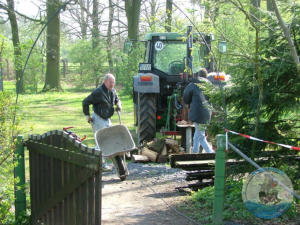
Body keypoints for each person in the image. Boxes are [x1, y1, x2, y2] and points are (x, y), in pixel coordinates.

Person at [82, 73, 122, 170]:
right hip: (98, 119)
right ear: (105, 82)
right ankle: (98, 165)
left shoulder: (112, 91)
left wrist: (119, 105)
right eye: (110, 82)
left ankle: (98, 163)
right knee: (101, 141)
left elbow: (117, 99)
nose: (112, 84)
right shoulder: (98, 92)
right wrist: (87, 116)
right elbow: (85, 102)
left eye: (113, 82)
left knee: (108, 140)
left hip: (107, 119)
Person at [183, 69, 214, 153]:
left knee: (201, 136)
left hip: (197, 113)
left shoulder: (192, 85)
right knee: (198, 134)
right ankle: (194, 152)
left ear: (198, 75)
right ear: (206, 76)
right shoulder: (210, 85)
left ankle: (211, 153)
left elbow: (186, 99)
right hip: (207, 113)